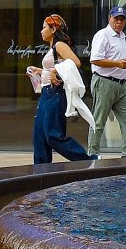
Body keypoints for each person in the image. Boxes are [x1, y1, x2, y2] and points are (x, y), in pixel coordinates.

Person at [32, 13, 96, 163]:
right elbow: (53, 68)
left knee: (53, 135)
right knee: (39, 137)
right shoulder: (52, 48)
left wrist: (55, 71)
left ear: (53, 29)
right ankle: (40, 170)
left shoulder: (59, 45)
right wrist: (39, 71)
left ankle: (86, 159)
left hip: (56, 93)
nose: (41, 31)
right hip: (46, 93)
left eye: (44, 27)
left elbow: (76, 62)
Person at [89, 5, 126, 157]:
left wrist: (124, 65)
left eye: (122, 19)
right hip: (105, 82)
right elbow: (95, 59)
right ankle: (92, 155)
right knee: (98, 120)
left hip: (122, 85)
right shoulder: (102, 35)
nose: (119, 22)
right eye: (116, 18)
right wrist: (118, 64)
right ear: (110, 18)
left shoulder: (123, 36)